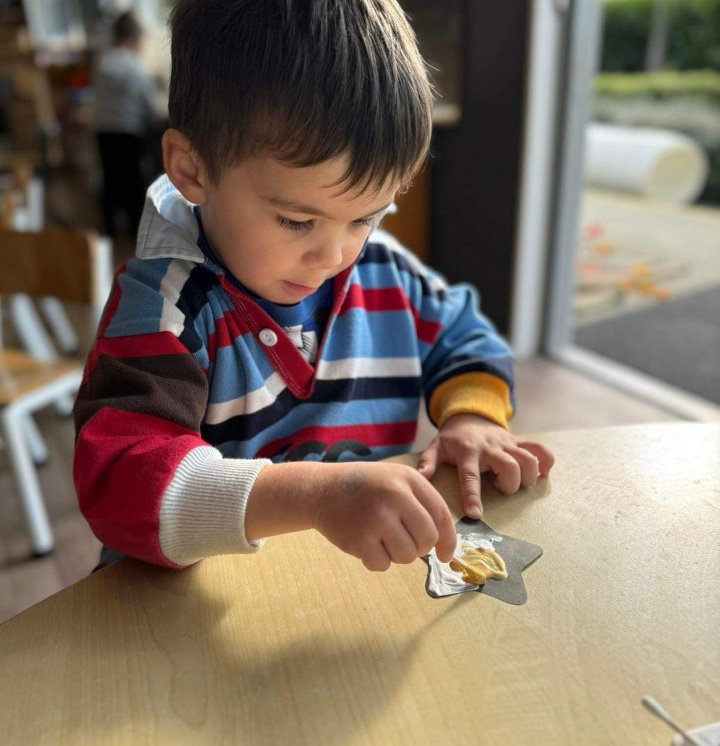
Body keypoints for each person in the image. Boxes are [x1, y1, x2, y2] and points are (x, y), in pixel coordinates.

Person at [74, 0, 555, 572]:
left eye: (366, 217)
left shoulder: (384, 271)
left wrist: (472, 418)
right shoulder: (163, 310)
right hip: (196, 623)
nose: (334, 256)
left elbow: (463, 332)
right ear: (193, 168)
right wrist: (316, 495)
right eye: (296, 220)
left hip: (345, 593)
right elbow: (121, 484)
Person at [93, 10, 163, 239]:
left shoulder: (102, 63)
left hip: (103, 130)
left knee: (110, 178)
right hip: (129, 132)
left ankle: (109, 230)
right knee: (132, 181)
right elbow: (146, 105)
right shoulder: (135, 67)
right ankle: (135, 231)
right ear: (134, 39)